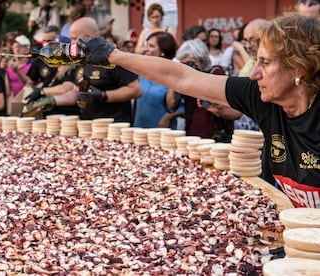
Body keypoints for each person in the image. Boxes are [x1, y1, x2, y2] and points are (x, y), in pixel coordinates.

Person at [78, 14, 320, 208]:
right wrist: (114, 55)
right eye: (256, 60)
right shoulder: (261, 95)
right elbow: (182, 77)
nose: (254, 73)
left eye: (265, 63)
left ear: (298, 68)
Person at [25, 17, 141, 123]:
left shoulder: (113, 57)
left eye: (74, 38)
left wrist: (103, 95)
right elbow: (76, 93)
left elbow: (135, 90)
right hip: (89, 125)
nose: (71, 43)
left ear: (87, 37)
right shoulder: (81, 60)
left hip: (115, 126)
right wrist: (51, 99)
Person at [168, 39, 242, 141]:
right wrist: (174, 81)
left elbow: (236, 113)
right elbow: (171, 104)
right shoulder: (186, 81)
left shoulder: (215, 74)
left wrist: (214, 106)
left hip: (214, 140)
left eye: (191, 63)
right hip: (192, 138)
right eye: (183, 63)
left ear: (202, 62)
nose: (187, 67)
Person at [133, 31, 181, 129]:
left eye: (151, 46)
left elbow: (183, 106)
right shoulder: (142, 71)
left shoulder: (174, 73)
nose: (146, 49)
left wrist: (167, 117)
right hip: (139, 130)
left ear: (163, 51)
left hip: (161, 132)